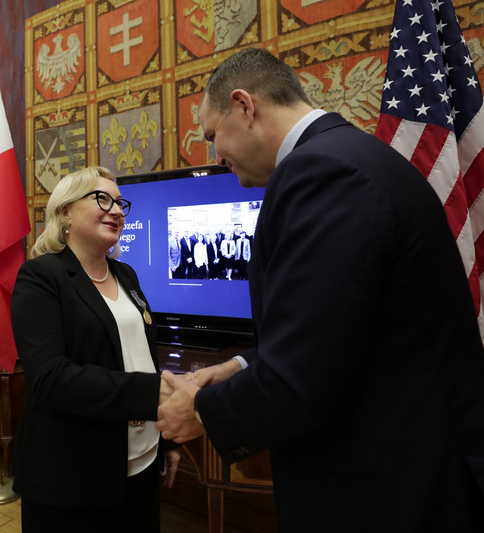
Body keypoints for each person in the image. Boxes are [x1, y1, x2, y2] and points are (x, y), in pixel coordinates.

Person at [156, 48, 484, 532]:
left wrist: (201, 411)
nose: (216, 157)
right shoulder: (351, 155)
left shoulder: (320, 173)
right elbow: (339, 332)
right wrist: (241, 364)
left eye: (212, 136)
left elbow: (302, 381)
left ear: (245, 106)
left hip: (389, 494)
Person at [10, 166, 180, 533]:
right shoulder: (41, 277)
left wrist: (165, 437)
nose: (117, 210)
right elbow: (51, 380)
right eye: (102, 199)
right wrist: (153, 395)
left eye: (120, 203)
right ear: (66, 211)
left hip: (142, 460)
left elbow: (144, 358)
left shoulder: (126, 275)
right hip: (75, 472)